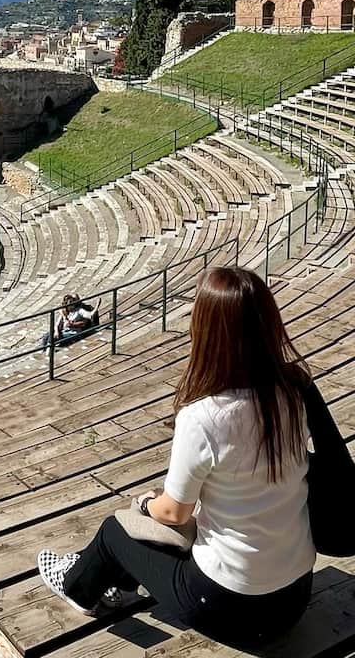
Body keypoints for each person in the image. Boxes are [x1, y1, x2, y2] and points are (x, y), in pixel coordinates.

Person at [37, 267, 315, 650]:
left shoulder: (204, 417)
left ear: (205, 333)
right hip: (294, 596)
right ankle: (115, 583)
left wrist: (149, 503)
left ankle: (79, 589)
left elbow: (174, 514)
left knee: (117, 530)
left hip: (231, 608)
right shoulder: (291, 394)